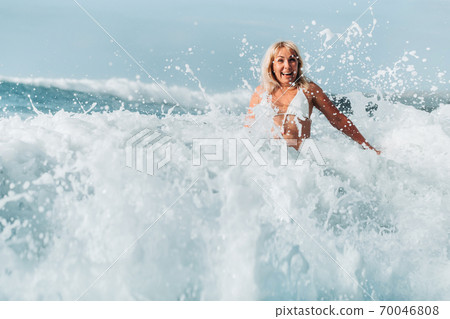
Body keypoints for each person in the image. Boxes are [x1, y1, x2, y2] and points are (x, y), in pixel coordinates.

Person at [245, 40, 380, 154]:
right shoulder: (260, 93)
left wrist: (368, 147)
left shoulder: (308, 90)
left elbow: (338, 119)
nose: (287, 66)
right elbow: (248, 130)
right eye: (281, 60)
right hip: (271, 161)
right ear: (272, 65)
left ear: (298, 64)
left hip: (301, 164)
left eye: (292, 60)